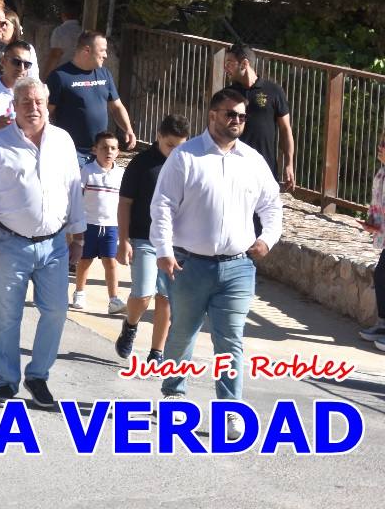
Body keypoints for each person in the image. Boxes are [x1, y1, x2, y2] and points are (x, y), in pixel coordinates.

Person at [150, 89, 283, 439]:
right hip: (189, 264)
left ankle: (230, 409)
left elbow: (272, 205)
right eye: (230, 114)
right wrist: (163, 249)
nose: (237, 120)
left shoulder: (253, 160)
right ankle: (173, 395)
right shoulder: (186, 156)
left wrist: (267, 238)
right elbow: (162, 205)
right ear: (212, 116)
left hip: (238, 266)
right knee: (182, 333)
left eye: (242, 115)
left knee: (231, 339)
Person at [0, 77, 84, 409]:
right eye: (26, 102)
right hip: (8, 242)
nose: (33, 108)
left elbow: (74, 189)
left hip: (55, 245)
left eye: (38, 102)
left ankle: (38, 376)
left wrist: (79, 235)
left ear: (47, 104)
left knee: (57, 311)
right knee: (5, 316)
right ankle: (6, 382)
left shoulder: (63, 141)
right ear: (14, 107)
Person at [114, 113, 188, 364]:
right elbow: (125, 203)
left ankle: (157, 352)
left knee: (166, 297)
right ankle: (131, 325)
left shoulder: (187, 164)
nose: (175, 151)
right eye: (170, 145)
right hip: (143, 239)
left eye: (180, 146)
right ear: (158, 137)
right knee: (143, 294)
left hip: (175, 243)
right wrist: (123, 240)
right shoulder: (141, 164)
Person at [46, 31, 136, 162]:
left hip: (100, 152)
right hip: (72, 152)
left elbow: (116, 107)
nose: (106, 55)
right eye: (102, 51)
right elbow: (47, 112)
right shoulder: (59, 76)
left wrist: (128, 129)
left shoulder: (104, 74)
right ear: (87, 50)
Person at [224, 43, 295, 191]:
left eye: (229, 63)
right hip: (235, 168)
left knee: (266, 213)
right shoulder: (228, 94)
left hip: (266, 167)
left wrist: (289, 164)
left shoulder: (274, 91)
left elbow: (285, 129)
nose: (225, 68)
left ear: (244, 63)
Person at [69, 131, 125, 314]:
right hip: (89, 225)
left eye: (113, 148)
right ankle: (79, 292)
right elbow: (77, 197)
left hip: (111, 226)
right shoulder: (87, 171)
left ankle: (114, 299)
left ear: (118, 152)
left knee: (110, 262)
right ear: (95, 150)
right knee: (84, 261)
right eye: (104, 148)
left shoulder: (121, 174)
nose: (108, 152)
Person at [359, 129, 385, 351]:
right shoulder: (382, 172)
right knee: (381, 274)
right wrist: (373, 223)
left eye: (384, 145)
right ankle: (382, 324)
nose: (380, 148)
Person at [43, 0, 82, 79]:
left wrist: (45, 77)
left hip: (63, 75)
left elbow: (55, 55)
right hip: (80, 74)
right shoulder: (83, 31)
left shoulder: (59, 31)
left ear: (63, 14)